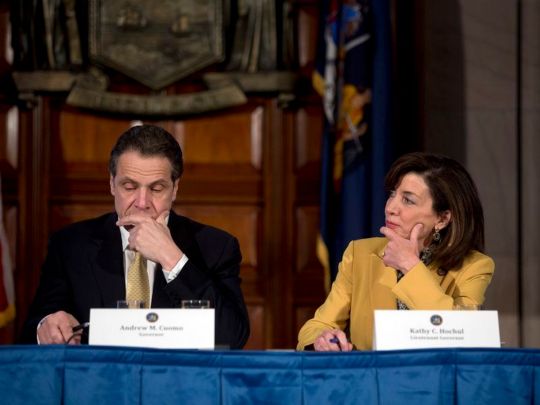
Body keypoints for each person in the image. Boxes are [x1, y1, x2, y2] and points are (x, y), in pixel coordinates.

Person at [20, 124, 250, 349]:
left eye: (156, 189)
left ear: (175, 189)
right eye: (129, 187)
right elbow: (30, 332)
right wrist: (47, 327)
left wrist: (171, 258)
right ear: (112, 184)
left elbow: (232, 337)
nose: (142, 203)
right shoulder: (70, 245)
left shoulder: (216, 247)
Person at [297, 152, 494, 351]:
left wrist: (411, 266)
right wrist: (321, 339)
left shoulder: (475, 266)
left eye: (408, 200)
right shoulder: (359, 254)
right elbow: (317, 326)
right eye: (392, 194)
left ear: (442, 219)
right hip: (372, 371)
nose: (390, 207)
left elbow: (464, 333)